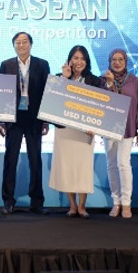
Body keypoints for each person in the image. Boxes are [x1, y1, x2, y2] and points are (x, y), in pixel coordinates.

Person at [0, 31, 51, 216]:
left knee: (35, 161)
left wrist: (46, 120)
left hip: (34, 119)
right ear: (14, 45)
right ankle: (8, 201)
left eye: (24, 42)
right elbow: (1, 94)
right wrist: (2, 121)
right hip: (13, 120)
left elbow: (47, 93)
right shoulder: (6, 65)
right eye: (17, 42)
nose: (21, 45)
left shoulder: (42, 65)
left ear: (31, 44)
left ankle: (37, 201)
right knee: (10, 161)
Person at [48, 45, 102, 219]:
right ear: (69, 60)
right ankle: (72, 205)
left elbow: (99, 106)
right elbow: (53, 101)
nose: (79, 62)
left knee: (82, 168)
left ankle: (82, 206)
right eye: (75, 58)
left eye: (82, 59)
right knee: (68, 168)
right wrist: (64, 78)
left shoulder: (94, 80)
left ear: (87, 61)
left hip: (85, 131)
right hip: (65, 131)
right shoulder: (59, 78)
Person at [100, 48, 138, 218]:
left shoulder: (135, 81)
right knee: (111, 164)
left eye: (120, 59)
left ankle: (127, 203)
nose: (117, 62)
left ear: (126, 62)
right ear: (109, 61)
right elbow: (104, 101)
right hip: (108, 128)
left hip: (127, 129)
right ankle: (116, 202)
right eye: (114, 59)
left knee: (123, 163)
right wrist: (109, 84)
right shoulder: (102, 80)